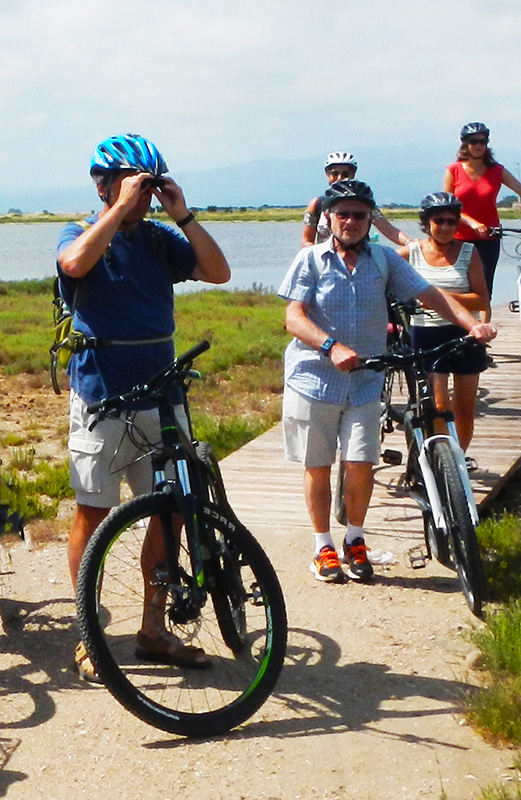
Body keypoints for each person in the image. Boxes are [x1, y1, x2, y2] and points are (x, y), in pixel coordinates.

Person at [57, 133, 231, 682]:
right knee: (93, 511)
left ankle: (153, 628)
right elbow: (75, 265)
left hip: (162, 394)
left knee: (172, 509)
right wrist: (116, 211)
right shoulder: (82, 231)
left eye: (149, 187)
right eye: (135, 184)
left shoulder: (159, 240)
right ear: (104, 185)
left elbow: (217, 272)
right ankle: (90, 630)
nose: (144, 197)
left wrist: (184, 214)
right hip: (101, 395)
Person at [279, 180, 496, 584]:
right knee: (319, 465)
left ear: (369, 220)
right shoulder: (310, 259)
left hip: (365, 380)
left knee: (362, 462)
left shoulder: (382, 260)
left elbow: (432, 295)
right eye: (342, 213)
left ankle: (355, 539)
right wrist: (330, 346)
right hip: (315, 378)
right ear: (329, 217)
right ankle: (323, 545)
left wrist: (473, 325)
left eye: (360, 215)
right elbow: (294, 317)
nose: (351, 221)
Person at [397, 192, 489, 469]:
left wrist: (436, 295)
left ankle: (458, 458)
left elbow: (481, 298)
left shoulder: (469, 253)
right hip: (427, 334)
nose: (447, 227)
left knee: (464, 409)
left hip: (463, 334)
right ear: (426, 223)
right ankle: (440, 460)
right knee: (438, 405)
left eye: (452, 221)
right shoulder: (409, 253)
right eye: (439, 221)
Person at [443, 122, 521, 311]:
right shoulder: (454, 170)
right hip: (459, 238)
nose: (478, 145)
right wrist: (471, 222)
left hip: (489, 236)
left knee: (485, 288)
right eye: (473, 141)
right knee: (459, 286)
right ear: (465, 144)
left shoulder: (496, 170)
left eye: (483, 141)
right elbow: (447, 206)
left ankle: (482, 335)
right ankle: (460, 329)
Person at [301, 151, 412, 247]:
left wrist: (410, 243)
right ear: (327, 174)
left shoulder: (363, 204)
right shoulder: (316, 204)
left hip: (360, 259)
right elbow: (306, 241)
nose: (339, 178)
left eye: (345, 174)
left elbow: (389, 231)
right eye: (334, 173)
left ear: (352, 175)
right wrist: (315, 254)